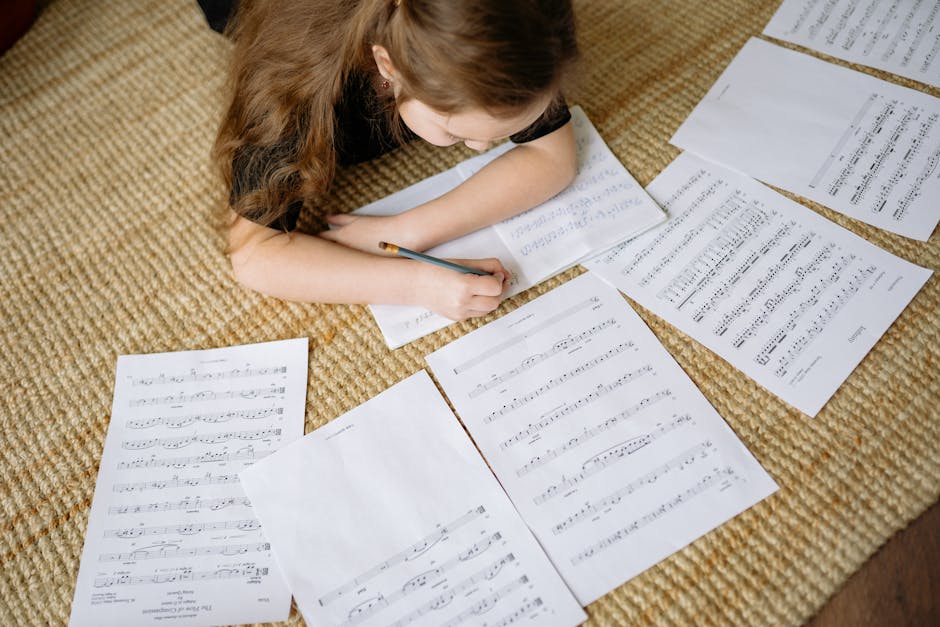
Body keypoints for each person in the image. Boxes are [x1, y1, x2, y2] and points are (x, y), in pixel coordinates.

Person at [205, 0, 579, 321]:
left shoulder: (520, 36)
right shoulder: (296, 83)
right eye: (455, 132)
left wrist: (408, 230)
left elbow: (554, 158)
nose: (480, 147)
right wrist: (417, 285)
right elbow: (256, 254)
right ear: (388, 65)